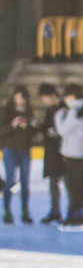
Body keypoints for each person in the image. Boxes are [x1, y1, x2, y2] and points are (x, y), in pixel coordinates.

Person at [52, 84, 83, 231]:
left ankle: (75, 215)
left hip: (73, 153)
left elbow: (63, 131)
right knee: (81, 183)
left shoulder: (75, 110)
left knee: (73, 185)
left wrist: (59, 115)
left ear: (72, 96)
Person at [2, 86, 33, 224]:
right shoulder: (6, 111)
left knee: (25, 182)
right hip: (10, 150)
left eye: (22, 98)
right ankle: (7, 210)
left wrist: (28, 127)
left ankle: (25, 210)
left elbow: (34, 132)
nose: (19, 100)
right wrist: (12, 125)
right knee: (10, 181)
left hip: (24, 150)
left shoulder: (29, 112)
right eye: (18, 97)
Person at [34, 83, 62, 224]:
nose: (43, 101)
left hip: (63, 151)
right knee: (53, 183)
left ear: (51, 95)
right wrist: (41, 127)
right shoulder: (50, 110)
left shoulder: (62, 108)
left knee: (69, 182)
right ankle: (55, 210)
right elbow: (48, 129)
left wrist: (52, 132)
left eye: (44, 98)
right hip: (51, 151)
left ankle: (75, 210)